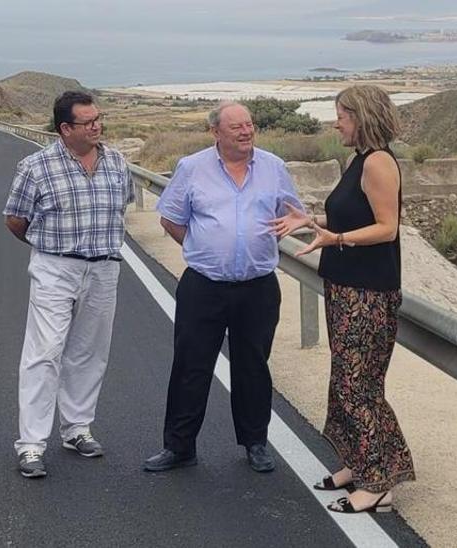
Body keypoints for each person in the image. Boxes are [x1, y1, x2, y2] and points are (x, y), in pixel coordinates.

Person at [270, 84, 415, 513]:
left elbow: (387, 227)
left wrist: (337, 239)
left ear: (363, 116)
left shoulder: (380, 163)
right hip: (346, 288)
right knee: (346, 383)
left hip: (368, 294)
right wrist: (310, 219)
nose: (337, 123)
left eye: (342, 116)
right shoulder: (359, 160)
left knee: (358, 387)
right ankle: (359, 462)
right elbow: (353, 214)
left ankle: (378, 482)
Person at [143, 102, 304, 474]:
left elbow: (294, 213)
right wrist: (206, 248)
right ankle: (179, 447)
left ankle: (255, 444)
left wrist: (293, 222)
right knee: (190, 366)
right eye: (237, 127)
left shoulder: (274, 167)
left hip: (258, 287)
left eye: (249, 125)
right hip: (204, 286)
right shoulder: (192, 168)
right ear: (216, 132)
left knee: (253, 367)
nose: (246, 132)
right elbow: (171, 219)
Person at [2, 91, 133, 479]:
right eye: (88, 122)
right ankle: (31, 444)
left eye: (99, 119)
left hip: (105, 267)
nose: (97, 126)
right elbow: (15, 219)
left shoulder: (117, 163)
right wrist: (50, 249)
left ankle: (76, 428)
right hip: (56, 267)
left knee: (90, 351)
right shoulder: (36, 166)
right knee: (45, 351)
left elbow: (120, 207)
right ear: (65, 129)